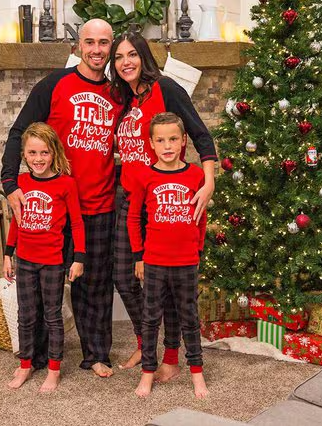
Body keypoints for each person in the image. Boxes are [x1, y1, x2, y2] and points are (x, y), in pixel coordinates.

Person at [1, 19, 121, 377]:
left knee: (94, 285)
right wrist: (11, 184)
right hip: (51, 208)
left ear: (111, 47)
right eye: (90, 42)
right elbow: (18, 132)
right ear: (78, 45)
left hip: (98, 205)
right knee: (38, 290)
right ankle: (35, 358)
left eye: (103, 43)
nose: (97, 50)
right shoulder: (54, 84)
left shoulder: (119, 93)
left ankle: (96, 354)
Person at [109, 31, 217, 378]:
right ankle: (146, 343)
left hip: (165, 197)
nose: (126, 62)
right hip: (130, 197)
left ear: (144, 56)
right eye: (119, 57)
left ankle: (170, 355)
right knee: (124, 276)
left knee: (169, 286)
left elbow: (200, 134)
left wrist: (209, 181)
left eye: (132, 55)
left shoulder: (166, 89)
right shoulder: (123, 99)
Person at [127, 112, 209, 398]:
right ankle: (147, 372)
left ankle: (197, 374)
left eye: (173, 139)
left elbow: (201, 217)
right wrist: (139, 255)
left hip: (186, 261)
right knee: (151, 319)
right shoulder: (144, 175)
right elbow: (134, 218)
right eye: (160, 140)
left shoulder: (196, 175)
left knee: (189, 317)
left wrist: (197, 250)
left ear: (183, 140)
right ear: (151, 143)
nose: (167, 145)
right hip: (155, 261)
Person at [3, 122, 85, 392]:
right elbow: (16, 221)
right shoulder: (21, 184)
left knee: (52, 315)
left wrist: (78, 258)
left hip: (52, 262)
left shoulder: (66, 184)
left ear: (54, 154)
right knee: (25, 315)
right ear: (24, 155)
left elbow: (76, 225)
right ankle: (26, 364)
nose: (38, 159)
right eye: (32, 153)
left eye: (44, 153)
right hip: (24, 261)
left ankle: (53, 368)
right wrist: (7, 255)